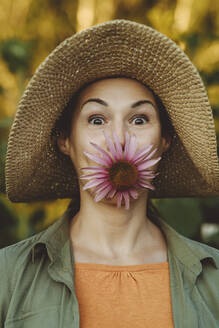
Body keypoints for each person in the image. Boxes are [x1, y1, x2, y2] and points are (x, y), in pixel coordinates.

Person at [0, 19, 219, 328]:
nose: (119, 137)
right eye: (97, 119)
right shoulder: (8, 275)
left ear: (165, 140)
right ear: (66, 140)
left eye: (140, 119)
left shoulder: (213, 278)